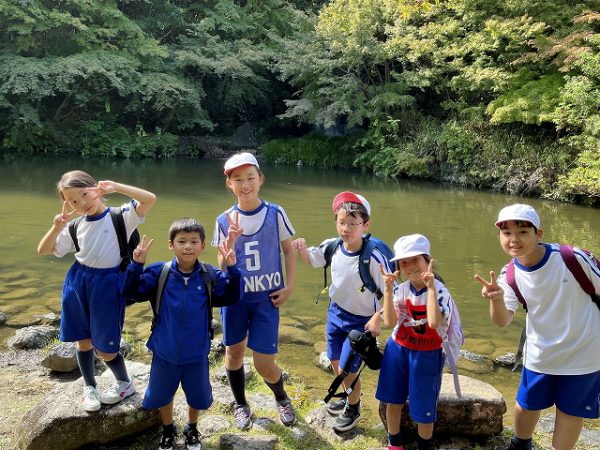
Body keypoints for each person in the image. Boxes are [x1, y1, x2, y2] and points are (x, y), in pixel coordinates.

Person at [475, 204, 600, 450]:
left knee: (571, 411)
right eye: (507, 233)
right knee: (527, 403)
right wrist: (496, 299)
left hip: (584, 353)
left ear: (538, 234)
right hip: (540, 353)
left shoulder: (572, 258)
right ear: (499, 236)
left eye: (523, 232)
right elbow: (502, 320)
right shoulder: (509, 274)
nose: (514, 239)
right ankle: (520, 444)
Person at [37, 170, 156, 412]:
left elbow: (149, 199)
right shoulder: (75, 226)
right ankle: (89, 386)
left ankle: (124, 383)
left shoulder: (121, 217)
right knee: (83, 341)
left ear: (95, 188)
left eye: (84, 194)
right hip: (78, 282)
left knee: (105, 347)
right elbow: (43, 250)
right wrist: (56, 227)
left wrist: (116, 186)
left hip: (107, 285)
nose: (81, 203)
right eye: (72, 201)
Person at [121, 218, 242, 450]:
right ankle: (168, 430)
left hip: (196, 352)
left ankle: (192, 428)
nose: (188, 246)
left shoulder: (209, 275)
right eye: (182, 241)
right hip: (164, 351)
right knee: (162, 394)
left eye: (194, 241)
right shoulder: (160, 273)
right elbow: (130, 292)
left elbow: (232, 296)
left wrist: (233, 269)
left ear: (202, 246)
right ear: (171, 245)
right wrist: (136, 265)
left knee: (196, 396)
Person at [292, 191, 391, 432]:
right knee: (336, 361)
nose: (346, 228)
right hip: (335, 314)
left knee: (348, 369)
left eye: (353, 223)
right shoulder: (333, 246)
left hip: (362, 322)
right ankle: (350, 395)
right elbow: (313, 259)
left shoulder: (373, 256)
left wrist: (378, 317)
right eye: (341, 222)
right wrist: (301, 249)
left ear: (366, 224)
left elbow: (393, 293)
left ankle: (353, 408)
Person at [212, 152, 297, 429]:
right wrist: (229, 246)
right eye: (238, 179)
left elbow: (288, 251)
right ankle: (241, 404)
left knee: (263, 363)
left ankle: (281, 397)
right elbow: (221, 264)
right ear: (230, 184)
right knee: (234, 353)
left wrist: (290, 286)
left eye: (250, 177)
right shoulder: (224, 219)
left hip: (266, 298)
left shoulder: (275, 213)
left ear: (260, 179)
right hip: (235, 298)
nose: (245, 184)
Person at [376, 234, 453, 450]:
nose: (409, 266)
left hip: (427, 354)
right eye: (403, 262)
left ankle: (424, 446)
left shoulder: (440, 290)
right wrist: (388, 290)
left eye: (415, 260)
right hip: (398, 349)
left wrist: (430, 288)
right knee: (393, 400)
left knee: (424, 408)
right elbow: (390, 322)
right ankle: (394, 443)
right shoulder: (401, 289)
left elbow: (435, 322)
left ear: (428, 260)